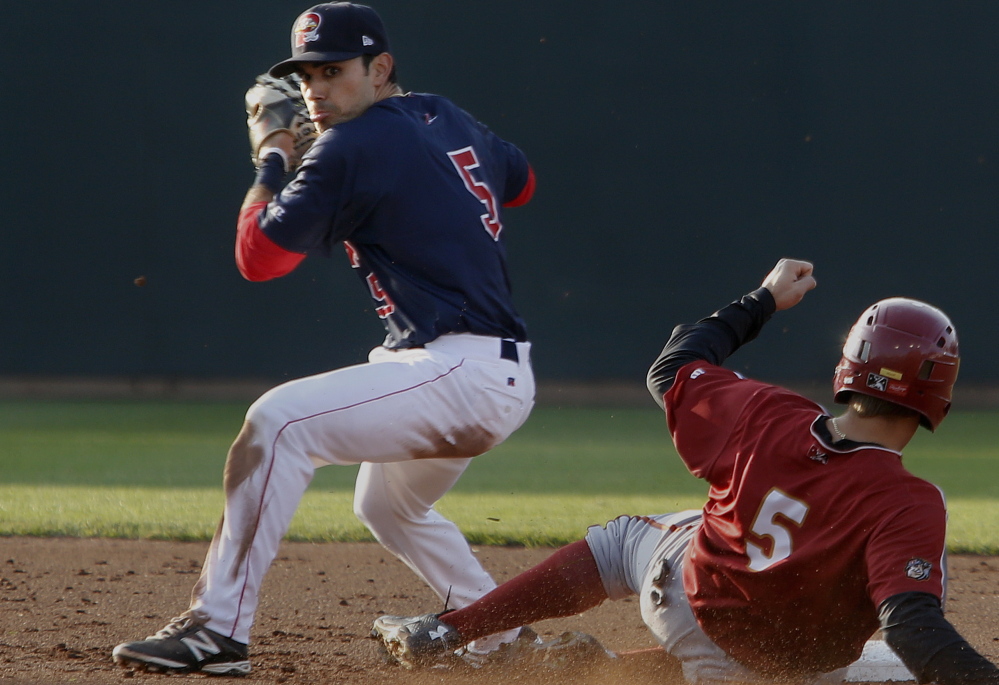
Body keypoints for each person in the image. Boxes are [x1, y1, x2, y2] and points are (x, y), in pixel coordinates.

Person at [112, 2, 537, 675]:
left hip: (460, 370)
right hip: (486, 372)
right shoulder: (437, 114)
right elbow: (520, 182)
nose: (315, 90)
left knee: (277, 421)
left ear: (380, 67)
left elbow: (259, 258)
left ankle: (216, 629)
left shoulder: (351, 144)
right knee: (385, 503)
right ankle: (500, 632)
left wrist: (272, 156)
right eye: (307, 75)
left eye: (333, 72)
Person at [373, 258, 999, 685]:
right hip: (764, 670)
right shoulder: (908, 503)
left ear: (848, 368)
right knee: (894, 624)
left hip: (678, 597)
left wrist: (764, 299)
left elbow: (672, 366)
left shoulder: (769, 413)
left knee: (626, 541)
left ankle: (448, 631)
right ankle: (609, 669)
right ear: (937, 391)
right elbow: (915, 629)